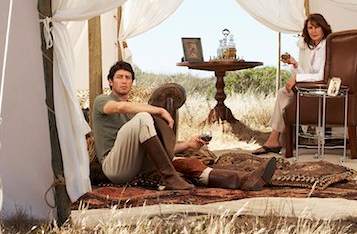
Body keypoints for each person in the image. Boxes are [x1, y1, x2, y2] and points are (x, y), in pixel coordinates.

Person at [92, 61, 276, 190]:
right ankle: (170, 177)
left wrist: (188, 145)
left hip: (136, 165)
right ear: (110, 81)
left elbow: (154, 146)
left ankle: (245, 180)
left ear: (132, 82)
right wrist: (159, 111)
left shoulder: (135, 112)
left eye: (128, 78)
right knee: (144, 117)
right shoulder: (103, 101)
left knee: (189, 164)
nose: (124, 81)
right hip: (114, 167)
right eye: (119, 77)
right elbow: (120, 106)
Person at [253, 13, 332, 155]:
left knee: (284, 93)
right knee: (284, 92)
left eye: (316, 27)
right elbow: (309, 75)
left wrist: (296, 79)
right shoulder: (315, 48)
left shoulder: (327, 47)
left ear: (323, 28)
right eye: (310, 28)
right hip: (311, 89)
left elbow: (322, 76)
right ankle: (275, 139)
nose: (313, 31)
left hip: (321, 92)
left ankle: (274, 140)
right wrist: (295, 64)